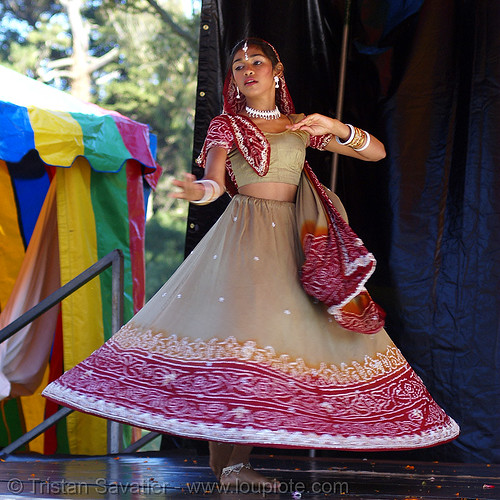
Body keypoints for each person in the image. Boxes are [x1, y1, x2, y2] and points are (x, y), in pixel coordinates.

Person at [43, 38, 459, 490]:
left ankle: (231, 470)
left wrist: (337, 127)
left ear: (276, 70)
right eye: (238, 65)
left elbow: (376, 152)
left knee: (278, 342)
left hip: (297, 243)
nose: (247, 70)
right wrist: (194, 192)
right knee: (239, 345)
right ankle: (231, 470)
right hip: (245, 237)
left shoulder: (301, 125)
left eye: (256, 62)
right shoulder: (228, 125)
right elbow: (214, 185)